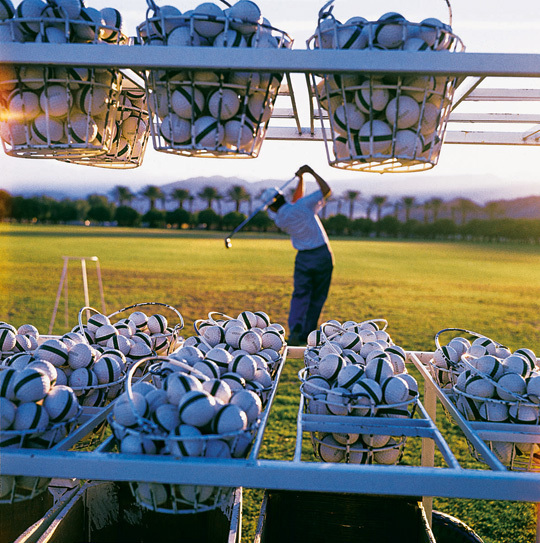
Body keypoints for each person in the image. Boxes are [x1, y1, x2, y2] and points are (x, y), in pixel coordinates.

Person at [266, 164, 334, 346]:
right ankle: (308, 333)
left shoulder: (279, 219)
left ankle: (296, 329)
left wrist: (301, 179)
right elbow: (326, 190)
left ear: (271, 207)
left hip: (303, 258)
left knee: (300, 295)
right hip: (321, 254)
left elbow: (296, 202)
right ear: (281, 197)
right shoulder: (303, 206)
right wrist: (311, 172)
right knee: (317, 296)